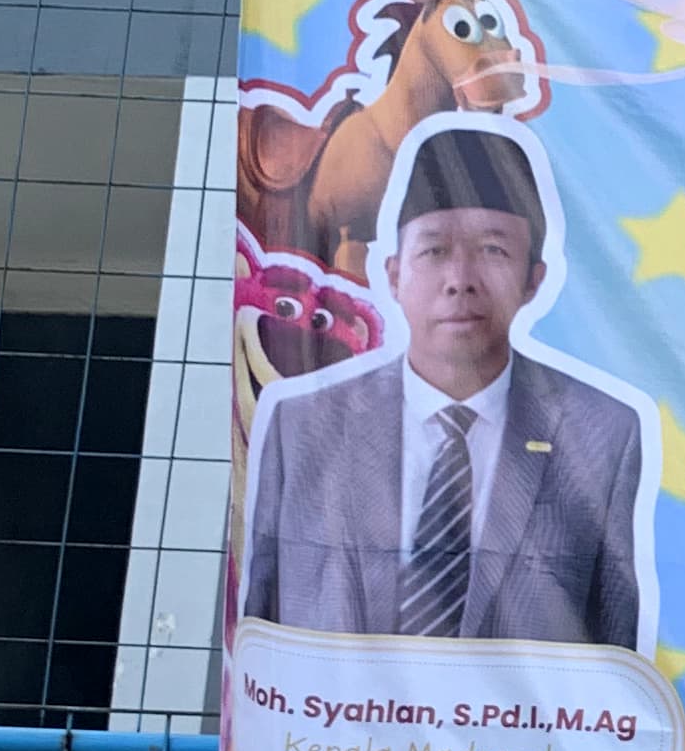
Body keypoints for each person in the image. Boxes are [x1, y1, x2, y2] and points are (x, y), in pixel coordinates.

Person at [244, 119, 647, 650]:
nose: (460, 280)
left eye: (493, 250)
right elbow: (261, 628)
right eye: (434, 251)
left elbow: (615, 650)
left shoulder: (601, 434)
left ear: (534, 280)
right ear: (393, 275)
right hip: (338, 709)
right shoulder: (304, 428)